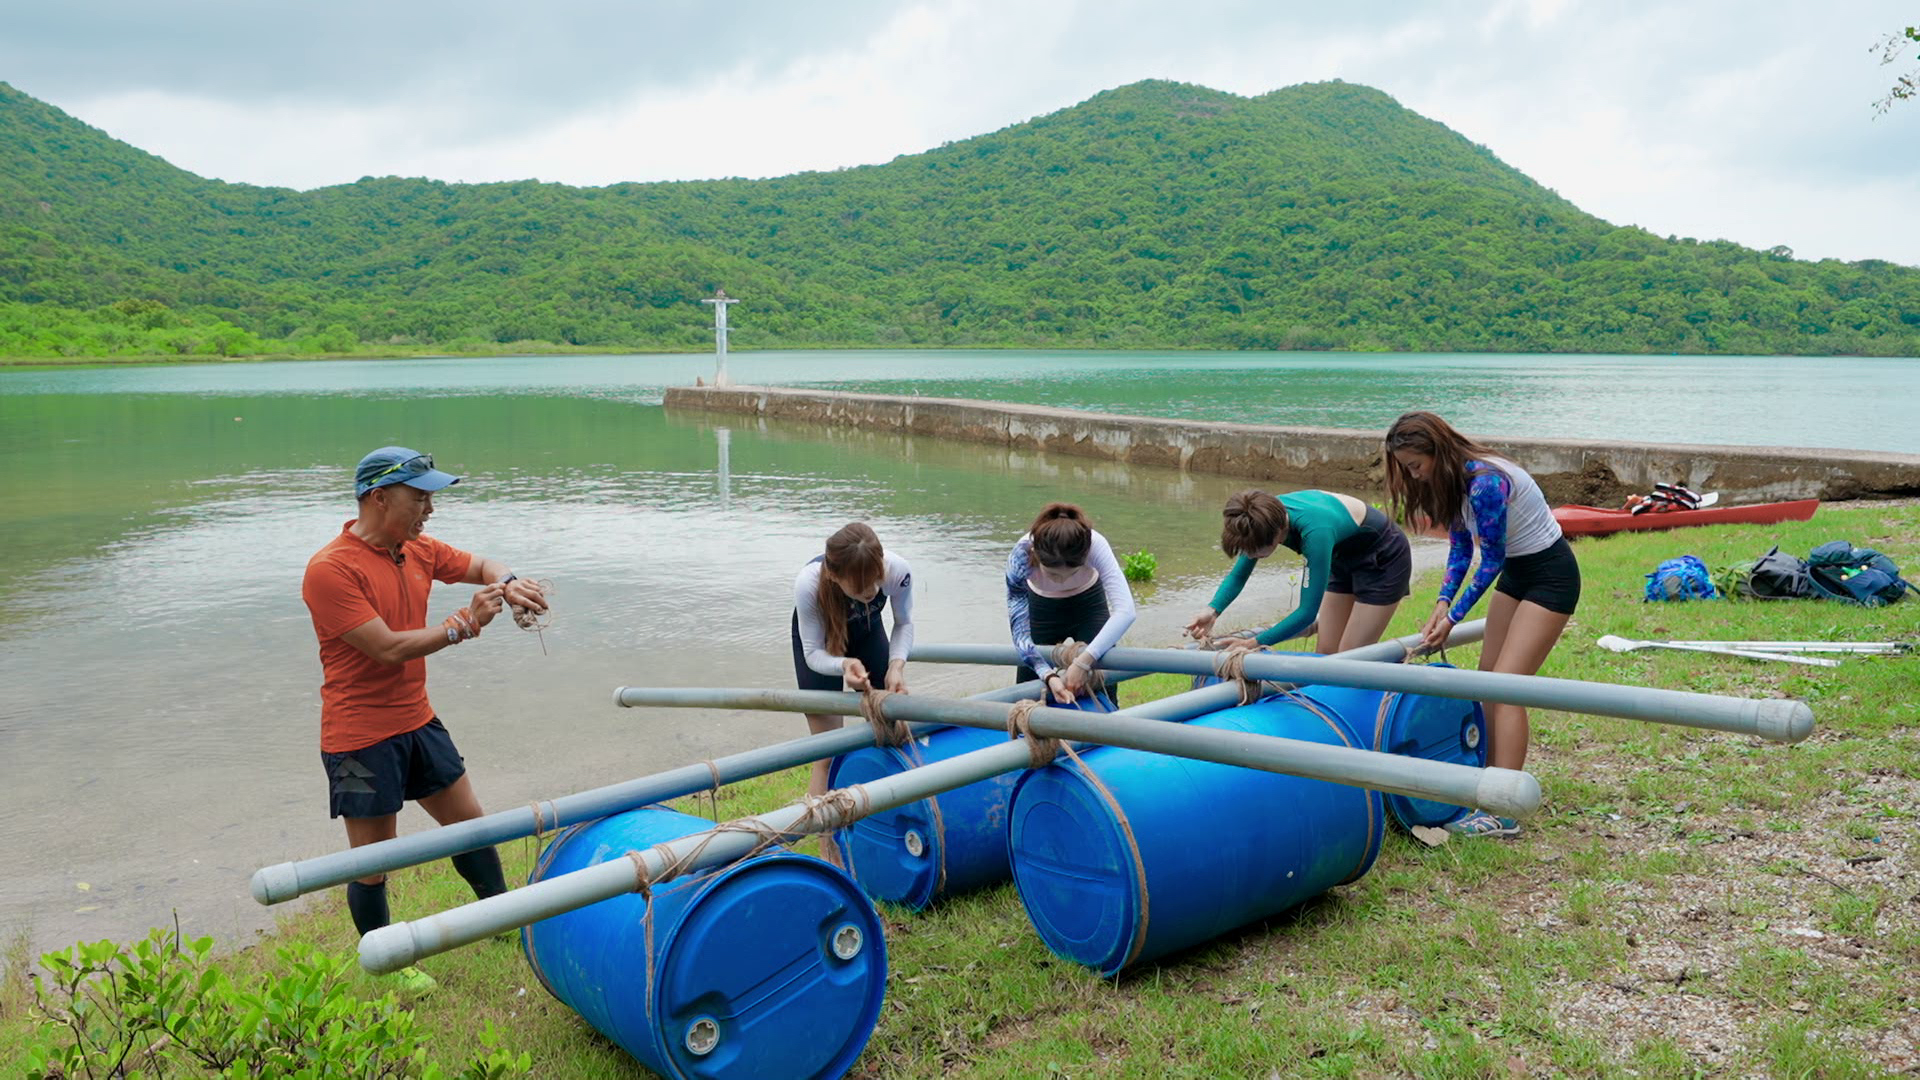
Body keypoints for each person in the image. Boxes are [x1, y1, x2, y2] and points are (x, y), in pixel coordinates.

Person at [301, 447, 549, 991]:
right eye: (420, 496)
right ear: (378, 498)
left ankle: (503, 919)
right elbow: (386, 649)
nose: (429, 508)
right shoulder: (330, 570)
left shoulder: (414, 548)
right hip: (359, 737)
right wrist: (464, 623)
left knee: (470, 825)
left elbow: (482, 564)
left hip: (418, 721)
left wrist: (509, 582)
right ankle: (390, 964)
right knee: (373, 862)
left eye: (432, 496)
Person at [1383, 411, 1580, 838]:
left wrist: (1454, 618)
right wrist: (1441, 601)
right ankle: (1490, 787)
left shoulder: (1486, 482)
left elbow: (1489, 557)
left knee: (1507, 687)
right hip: (1517, 573)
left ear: (1437, 451)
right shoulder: (1452, 481)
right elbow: (1459, 544)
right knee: (1486, 680)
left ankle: (1506, 810)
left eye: (1416, 466)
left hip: (1550, 577)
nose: (1414, 477)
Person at [792, 523, 915, 834]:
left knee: (892, 729)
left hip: (869, 634)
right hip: (822, 650)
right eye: (859, 590)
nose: (870, 594)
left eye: (874, 584)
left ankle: (895, 820)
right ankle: (825, 843)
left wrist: (896, 666)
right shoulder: (808, 584)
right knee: (827, 754)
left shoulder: (897, 569)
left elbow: (903, 623)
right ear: (834, 576)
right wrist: (844, 665)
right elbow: (812, 653)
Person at [1185, 489, 1412, 654]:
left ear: (1278, 533)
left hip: (1384, 558)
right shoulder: (1260, 518)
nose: (1250, 556)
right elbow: (1238, 575)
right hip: (1341, 556)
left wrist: (1253, 643)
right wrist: (1212, 611)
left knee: (1349, 658)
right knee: (1326, 652)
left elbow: (1306, 614)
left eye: (1255, 551)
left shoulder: (1315, 533)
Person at [1007, 503, 1138, 705]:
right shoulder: (1020, 556)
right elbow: (1021, 635)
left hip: (1088, 604)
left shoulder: (1095, 543)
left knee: (1103, 679)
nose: (1061, 582)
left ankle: (1110, 728)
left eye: (1071, 573)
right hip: (1042, 608)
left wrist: (1083, 662)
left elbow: (1126, 611)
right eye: (1052, 574)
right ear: (1035, 554)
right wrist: (1049, 675)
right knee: (1027, 685)